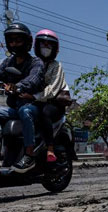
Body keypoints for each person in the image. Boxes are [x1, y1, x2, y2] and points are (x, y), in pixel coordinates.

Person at [0, 23, 44, 173]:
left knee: (25, 112)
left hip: (33, 106)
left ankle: (29, 155)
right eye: (11, 41)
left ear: (27, 42)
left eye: (18, 40)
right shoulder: (8, 62)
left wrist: (18, 86)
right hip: (14, 108)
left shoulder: (36, 62)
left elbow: (33, 80)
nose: (14, 44)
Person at [30, 29, 70, 163]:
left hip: (54, 102)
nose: (45, 47)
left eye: (49, 45)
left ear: (55, 48)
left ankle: (50, 148)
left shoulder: (57, 66)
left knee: (44, 113)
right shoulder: (32, 63)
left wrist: (34, 96)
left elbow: (53, 89)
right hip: (36, 100)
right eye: (43, 44)